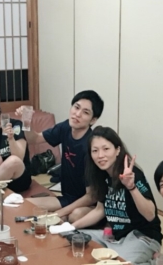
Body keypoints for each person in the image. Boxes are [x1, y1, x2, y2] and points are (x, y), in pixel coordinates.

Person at [69, 127, 162, 265]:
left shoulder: (133, 174)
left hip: (143, 236)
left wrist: (131, 187)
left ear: (118, 150)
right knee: (73, 239)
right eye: (95, 151)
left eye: (106, 149)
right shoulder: (101, 174)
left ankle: (156, 263)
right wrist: (70, 227)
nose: (100, 155)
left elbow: (150, 215)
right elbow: (100, 210)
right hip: (115, 236)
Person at [18, 91, 104, 223]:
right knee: (25, 205)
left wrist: (60, 213)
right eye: (76, 107)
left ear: (93, 120)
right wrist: (26, 120)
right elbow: (34, 139)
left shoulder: (90, 146)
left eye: (85, 112)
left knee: (73, 216)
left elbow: (91, 196)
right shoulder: (65, 127)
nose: (77, 114)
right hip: (67, 198)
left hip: (88, 203)